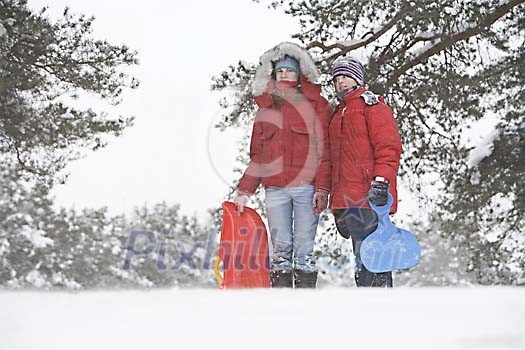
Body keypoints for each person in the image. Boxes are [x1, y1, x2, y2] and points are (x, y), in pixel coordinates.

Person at [235, 42, 331, 288]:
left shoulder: (317, 106)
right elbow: (258, 155)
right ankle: (281, 301)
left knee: (304, 247)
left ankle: (305, 300)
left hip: (305, 187)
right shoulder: (266, 109)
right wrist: (245, 190)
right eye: (280, 71)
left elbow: (324, 151)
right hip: (275, 188)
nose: (284, 75)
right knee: (280, 248)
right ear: (272, 74)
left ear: (300, 73)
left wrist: (322, 188)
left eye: (289, 70)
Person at [329, 56, 402, 287]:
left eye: (346, 76)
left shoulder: (373, 106)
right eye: (337, 78)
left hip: (371, 196)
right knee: (361, 257)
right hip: (348, 199)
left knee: (375, 255)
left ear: (357, 78)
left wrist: (381, 182)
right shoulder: (337, 114)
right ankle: (367, 307)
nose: (341, 82)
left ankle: (381, 305)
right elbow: (334, 162)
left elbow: (388, 148)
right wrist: (336, 204)